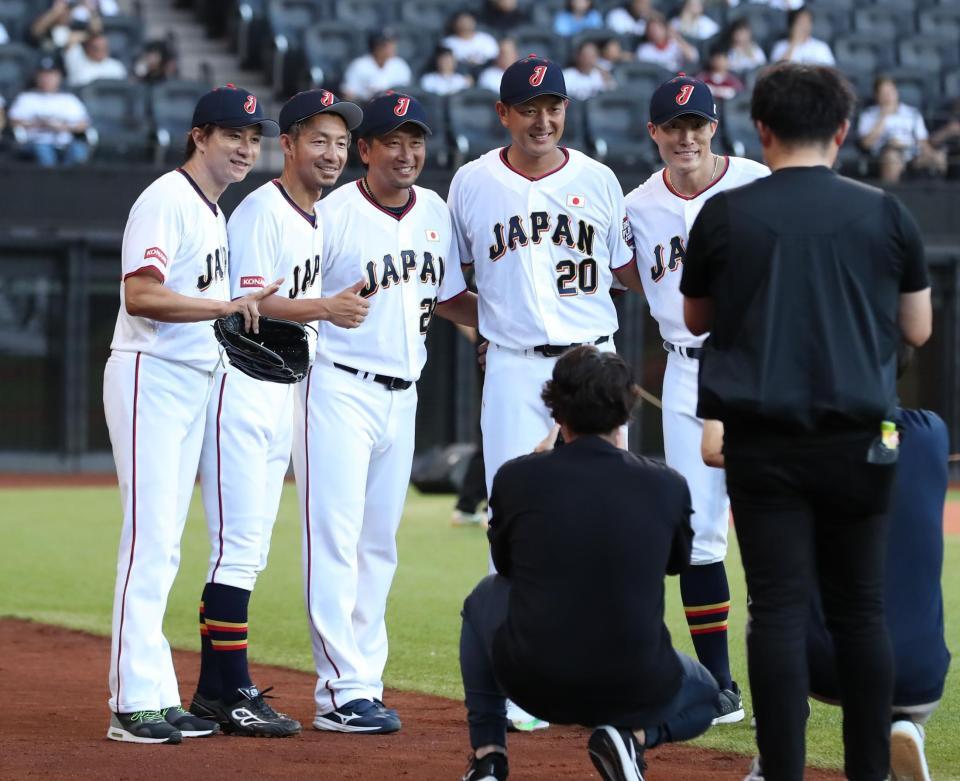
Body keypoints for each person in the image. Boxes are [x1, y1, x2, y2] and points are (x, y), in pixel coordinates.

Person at [680, 63, 932, 781]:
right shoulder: (886, 212)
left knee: (777, 608)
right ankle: (869, 772)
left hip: (763, 439)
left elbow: (696, 316)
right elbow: (917, 327)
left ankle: (783, 769)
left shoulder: (726, 215)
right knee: (861, 607)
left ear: (761, 129)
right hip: (863, 437)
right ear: (843, 130)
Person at [446, 54, 645, 730]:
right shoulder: (473, 182)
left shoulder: (598, 178)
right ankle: (522, 678)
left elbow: (627, 273)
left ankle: (602, 668)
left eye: (552, 105)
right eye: (527, 107)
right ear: (503, 114)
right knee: (515, 521)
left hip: (593, 359)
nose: (542, 118)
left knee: (606, 516)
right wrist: (493, 326)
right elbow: (448, 286)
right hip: (513, 366)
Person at [292, 91, 478, 734]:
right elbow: (295, 300)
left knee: (379, 546)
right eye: (391, 141)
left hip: (405, 395)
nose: (406, 153)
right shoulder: (332, 213)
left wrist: (500, 332)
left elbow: (451, 298)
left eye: (415, 140)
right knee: (335, 543)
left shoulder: (434, 209)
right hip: (337, 388)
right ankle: (338, 691)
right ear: (363, 150)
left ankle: (363, 682)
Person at [102, 85, 281, 744]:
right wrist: (222, 308)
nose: (246, 147)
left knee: (166, 543)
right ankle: (128, 702)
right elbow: (142, 293)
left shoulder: (210, 210)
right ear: (200, 135)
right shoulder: (167, 199)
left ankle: (154, 690)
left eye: (254, 138)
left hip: (189, 378)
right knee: (149, 540)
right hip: (151, 373)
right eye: (234, 133)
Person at [186, 89, 367, 738]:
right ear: (286, 144)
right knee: (236, 547)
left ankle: (218, 687)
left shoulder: (313, 216)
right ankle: (226, 689)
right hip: (241, 385)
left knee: (249, 548)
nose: (333, 153)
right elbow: (247, 302)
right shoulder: (264, 209)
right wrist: (323, 309)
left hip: (276, 388)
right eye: (319, 139)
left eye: (342, 142)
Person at [459, 345, 719, 781]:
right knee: (709, 697)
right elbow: (677, 564)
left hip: (536, 686)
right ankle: (632, 739)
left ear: (555, 410)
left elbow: (505, 567)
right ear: (626, 413)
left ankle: (489, 755)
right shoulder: (668, 485)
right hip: (635, 684)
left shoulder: (517, 477)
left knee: (484, 597)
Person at [703, 396, 951, 781]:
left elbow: (714, 450)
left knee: (769, 606)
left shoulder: (805, 437)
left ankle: (773, 761)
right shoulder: (934, 432)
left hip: (821, 664)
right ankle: (906, 723)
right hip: (920, 672)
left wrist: (730, 382)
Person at [624, 75, 768, 727]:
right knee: (700, 533)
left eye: (697, 123)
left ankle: (813, 664)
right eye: (672, 125)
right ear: (653, 131)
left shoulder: (757, 182)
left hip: (764, 364)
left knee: (782, 517)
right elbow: (620, 275)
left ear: (716, 127)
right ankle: (719, 682)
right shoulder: (635, 206)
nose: (686, 135)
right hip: (687, 370)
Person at [858, 77, 946, 184]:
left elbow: (922, 142)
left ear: (896, 92)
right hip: (885, 153)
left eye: (890, 92)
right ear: (877, 96)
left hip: (912, 153)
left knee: (940, 157)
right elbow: (866, 144)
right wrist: (884, 117)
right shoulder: (869, 115)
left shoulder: (912, 113)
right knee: (891, 157)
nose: (888, 96)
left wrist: (933, 155)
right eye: (884, 93)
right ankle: (890, 197)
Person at [8, 57, 91, 166]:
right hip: (36, 141)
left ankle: (67, 180)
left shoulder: (69, 99)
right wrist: (40, 124)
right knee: (43, 149)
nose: (47, 79)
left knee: (78, 150)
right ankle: (51, 181)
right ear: (36, 77)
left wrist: (63, 127)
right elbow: (13, 121)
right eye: (43, 75)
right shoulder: (26, 98)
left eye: (51, 75)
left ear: (59, 77)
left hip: (64, 142)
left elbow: (84, 124)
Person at [341, 30, 412, 102]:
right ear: (376, 47)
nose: (393, 47)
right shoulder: (359, 65)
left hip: (394, 107)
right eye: (387, 45)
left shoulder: (400, 65)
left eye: (393, 43)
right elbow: (348, 94)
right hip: (366, 106)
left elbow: (406, 93)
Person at [770, 8, 835, 66]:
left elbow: (829, 71)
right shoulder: (780, 46)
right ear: (792, 26)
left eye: (807, 22)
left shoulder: (821, 47)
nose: (804, 26)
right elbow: (778, 70)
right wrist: (793, 44)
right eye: (800, 23)